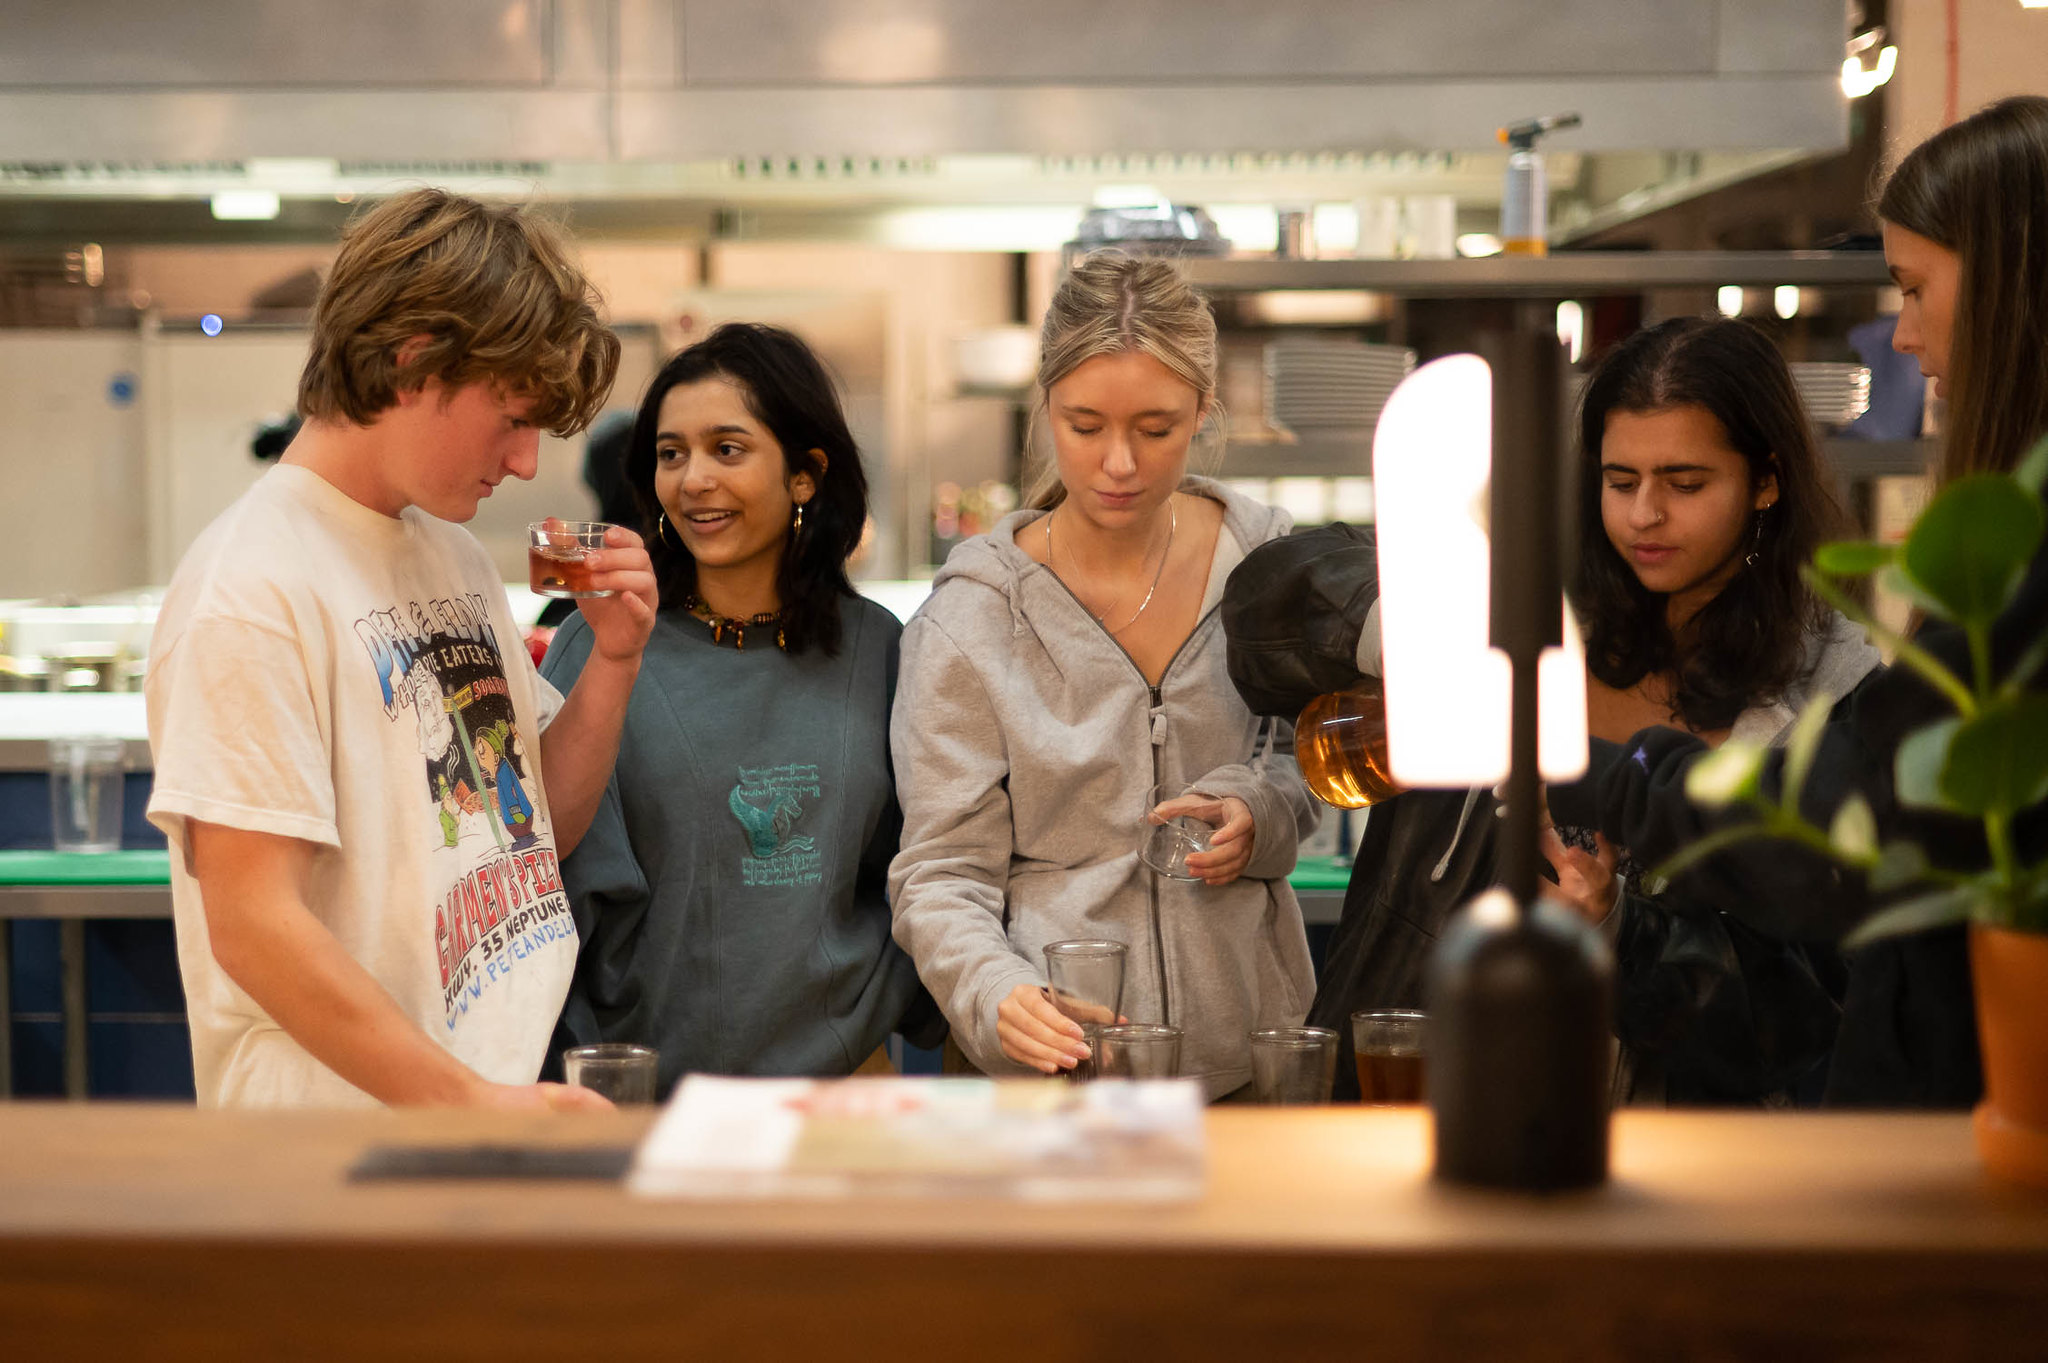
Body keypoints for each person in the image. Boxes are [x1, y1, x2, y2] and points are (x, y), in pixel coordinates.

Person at [1224, 317, 1877, 1104]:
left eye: (1686, 482)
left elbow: (1801, 1018)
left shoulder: (1825, 701)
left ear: (1765, 479)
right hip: (1424, 1103)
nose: (1644, 514)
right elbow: (1263, 602)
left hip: (1659, 1156)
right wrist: (1422, 638)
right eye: (1620, 479)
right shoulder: (1528, 603)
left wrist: (1619, 928)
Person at [1545, 95, 2048, 1106]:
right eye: (1618, 478)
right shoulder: (1559, 632)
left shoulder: (1850, 660)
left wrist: (1613, 777)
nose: (1901, 335)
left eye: (1912, 288)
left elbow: (1856, 835)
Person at [144, 188, 656, 1109]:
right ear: (415, 363)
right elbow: (254, 926)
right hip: (344, 1152)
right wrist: (471, 1103)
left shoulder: (449, 553)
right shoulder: (251, 586)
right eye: (511, 416)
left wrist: (613, 663)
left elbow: (533, 829)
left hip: (474, 1107)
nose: (529, 461)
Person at [889, 253, 1318, 1101]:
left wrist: (1257, 812)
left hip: (1250, 1069)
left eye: (1155, 428)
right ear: (1045, 408)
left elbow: (1302, 761)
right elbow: (941, 873)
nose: (1118, 462)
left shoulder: (1266, 569)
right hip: (1061, 1077)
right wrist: (995, 991)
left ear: (1202, 409)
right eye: (1085, 426)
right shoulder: (973, 618)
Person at [543, 323, 940, 1098]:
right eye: (671, 453)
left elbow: (929, 871)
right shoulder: (596, 647)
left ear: (804, 475)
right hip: (642, 1102)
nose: (692, 479)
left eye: (727, 449)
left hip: (844, 1095)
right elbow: (549, 900)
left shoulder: (881, 650)